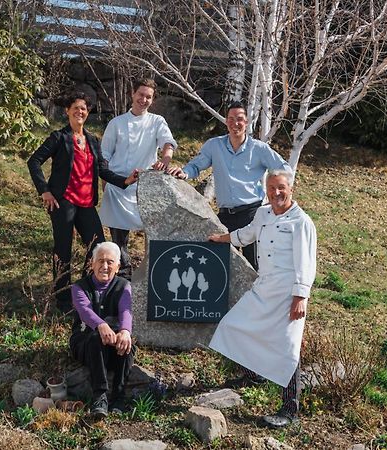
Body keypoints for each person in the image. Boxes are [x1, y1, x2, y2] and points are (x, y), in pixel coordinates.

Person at [208, 169, 317, 428]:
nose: (276, 193)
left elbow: (307, 263)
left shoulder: (301, 222)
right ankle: (253, 375)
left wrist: (300, 296)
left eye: (281, 188)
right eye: (271, 188)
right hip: (264, 288)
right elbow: (247, 234)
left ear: (291, 189)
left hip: (288, 293)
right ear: (266, 190)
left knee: (287, 350)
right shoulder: (264, 213)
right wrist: (221, 239)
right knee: (232, 326)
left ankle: (290, 410)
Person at [27, 91, 139, 314]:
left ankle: (87, 292)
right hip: (63, 203)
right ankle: (63, 300)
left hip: (86, 203)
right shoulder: (58, 137)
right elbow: (34, 162)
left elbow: (103, 170)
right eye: (76, 108)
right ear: (67, 111)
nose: (80, 112)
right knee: (63, 251)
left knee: (97, 248)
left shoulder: (92, 140)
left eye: (84, 109)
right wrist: (45, 191)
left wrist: (125, 180)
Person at [166, 101, 292, 270]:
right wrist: (184, 172)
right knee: (218, 265)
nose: (235, 123)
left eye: (240, 119)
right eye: (231, 119)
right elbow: (195, 166)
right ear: (226, 122)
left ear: (246, 122)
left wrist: (274, 191)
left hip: (252, 215)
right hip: (225, 216)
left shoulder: (259, 149)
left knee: (254, 266)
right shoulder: (214, 145)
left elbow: (285, 170)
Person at [99, 78, 177, 279]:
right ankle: (122, 276)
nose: (144, 99)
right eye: (141, 95)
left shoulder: (157, 121)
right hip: (118, 187)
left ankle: (153, 273)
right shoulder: (116, 123)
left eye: (148, 97)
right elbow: (104, 155)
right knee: (119, 240)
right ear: (132, 94)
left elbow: (167, 143)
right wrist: (105, 182)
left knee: (152, 234)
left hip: (145, 186)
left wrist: (165, 160)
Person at [70, 241, 134, 418]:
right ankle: (100, 396)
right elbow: (85, 311)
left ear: (118, 266)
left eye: (110, 262)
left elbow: (126, 312)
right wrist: (101, 325)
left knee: (127, 344)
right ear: (92, 263)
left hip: (112, 345)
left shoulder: (123, 286)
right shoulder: (79, 287)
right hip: (85, 344)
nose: (104, 266)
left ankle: (119, 396)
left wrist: (125, 331)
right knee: (95, 338)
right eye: (100, 261)